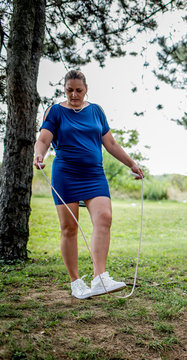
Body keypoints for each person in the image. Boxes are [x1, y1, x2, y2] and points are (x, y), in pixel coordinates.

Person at [33, 70, 145, 300]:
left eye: (79, 90)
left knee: (104, 217)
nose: (74, 94)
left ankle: (100, 278)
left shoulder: (96, 111)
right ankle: (76, 282)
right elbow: (44, 139)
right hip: (66, 174)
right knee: (69, 229)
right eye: (69, 90)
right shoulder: (55, 112)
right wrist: (39, 155)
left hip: (94, 174)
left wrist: (131, 163)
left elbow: (110, 143)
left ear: (86, 89)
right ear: (64, 89)